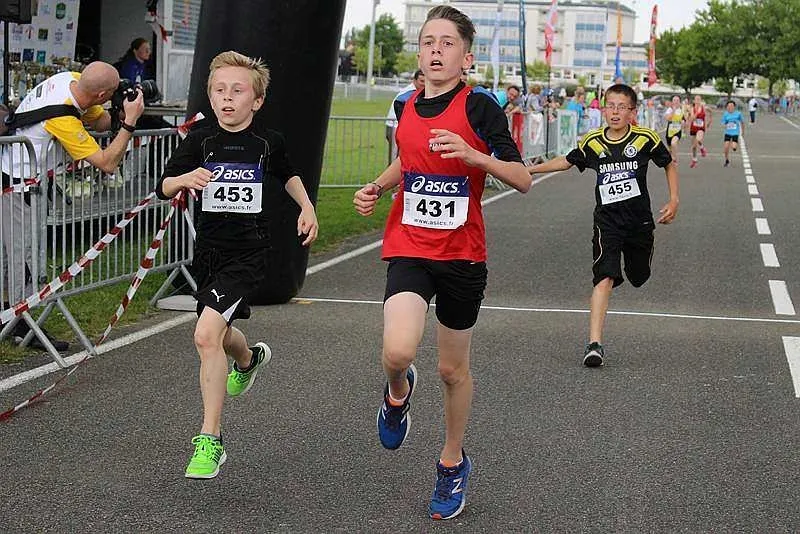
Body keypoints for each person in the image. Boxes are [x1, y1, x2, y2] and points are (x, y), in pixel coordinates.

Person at [352, 5, 531, 520]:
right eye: (428, 41)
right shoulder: (405, 102)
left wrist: (474, 156)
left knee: (452, 370)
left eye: (447, 43)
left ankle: (452, 462)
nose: (435, 50)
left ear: (466, 58)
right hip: (410, 244)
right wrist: (377, 186)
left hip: (461, 255)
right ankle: (397, 393)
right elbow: (408, 159)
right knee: (397, 351)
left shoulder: (480, 108)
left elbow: (521, 178)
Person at [155, 51, 318, 479]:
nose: (227, 98)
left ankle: (210, 439)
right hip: (209, 252)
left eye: (237, 91)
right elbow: (163, 185)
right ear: (210, 96)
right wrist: (184, 180)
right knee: (222, 333)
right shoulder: (200, 140)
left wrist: (307, 207)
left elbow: (288, 174)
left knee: (205, 334)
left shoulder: (267, 142)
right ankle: (248, 359)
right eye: (219, 90)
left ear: (257, 101)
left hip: (248, 253)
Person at [526, 84, 679, 367]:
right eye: (610, 106)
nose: (615, 112)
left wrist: (673, 200)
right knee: (604, 277)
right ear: (603, 109)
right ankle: (594, 344)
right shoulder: (593, 142)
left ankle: (636, 265)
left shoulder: (645, 139)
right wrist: (528, 169)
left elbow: (668, 163)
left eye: (622, 107)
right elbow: (566, 162)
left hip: (639, 222)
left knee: (639, 275)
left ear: (632, 112)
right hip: (607, 222)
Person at [0, 62, 145, 351]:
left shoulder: (72, 80)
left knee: (12, 254)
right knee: (23, 256)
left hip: (18, 180)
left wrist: (118, 111)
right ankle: (21, 322)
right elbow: (107, 163)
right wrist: (130, 123)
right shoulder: (62, 118)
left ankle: (11, 316)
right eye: (112, 92)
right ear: (102, 94)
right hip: (19, 186)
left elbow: (100, 121)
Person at [386, 70, 425, 164]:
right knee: (395, 159)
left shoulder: (417, 92)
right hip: (395, 126)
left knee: (403, 157)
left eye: (426, 81)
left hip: (399, 126)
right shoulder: (409, 93)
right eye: (421, 81)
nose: (424, 84)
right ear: (414, 81)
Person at [688, 94, 710, 168]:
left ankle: (702, 148)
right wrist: (697, 112)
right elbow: (692, 118)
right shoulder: (692, 108)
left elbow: (710, 111)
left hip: (701, 128)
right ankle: (694, 159)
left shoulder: (704, 107)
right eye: (696, 99)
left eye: (699, 99)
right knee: (694, 146)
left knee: (699, 139)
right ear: (694, 101)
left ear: (701, 101)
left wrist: (710, 121)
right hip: (693, 128)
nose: (697, 101)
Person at [721, 100, 745, 167]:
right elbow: (723, 122)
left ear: (734, 107)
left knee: (734, 147)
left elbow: (742, 123)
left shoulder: (738, 114)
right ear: (727, 107)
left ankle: (734, 145)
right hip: (728, 132)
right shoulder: (725, 114)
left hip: (735, 133)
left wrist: (743, 132)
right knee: (726, 147)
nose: (730, 107)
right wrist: (726, 123)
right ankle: (727, 160)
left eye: (731, 106)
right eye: (729, 106)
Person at [664, 95, 685, 164]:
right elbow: (667, 118)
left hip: (677, 131)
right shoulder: (669, 110)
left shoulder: (682, 110)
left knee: (673, 143)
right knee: (670, 150)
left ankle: (675, 159)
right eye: (674, 100)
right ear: (672, 102)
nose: (676, 102)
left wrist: (683, 122)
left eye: (677, 100)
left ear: (680, 102)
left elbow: (685, 120)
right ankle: (672, 161)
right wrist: (673, 110)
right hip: (669, 132)